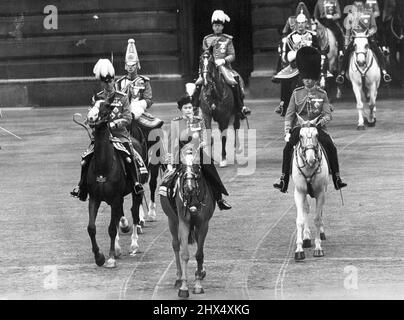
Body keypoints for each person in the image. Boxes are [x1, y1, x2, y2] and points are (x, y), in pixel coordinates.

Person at [273, 46, 347, 193]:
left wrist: (321, 122)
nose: (307, 81)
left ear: (315, 78)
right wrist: (287, 130)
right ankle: (283, 179)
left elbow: (327, 114)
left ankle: (337, 178)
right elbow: (290, 114)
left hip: (318, 128)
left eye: (310, 79)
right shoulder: (296, 93)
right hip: (299, 128)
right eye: (305, 78)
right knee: (287, 149)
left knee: (331, 147)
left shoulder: (322, 93)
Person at [71, 59, 146, 201]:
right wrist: (90, 122)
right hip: (100, 136)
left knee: (129, 157)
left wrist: (113, 125)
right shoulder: (97, 97)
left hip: (119, 136)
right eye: (105, 82)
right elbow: (91, 115)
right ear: (101, 83)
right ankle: (81, 187)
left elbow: (128, 118)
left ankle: (136, 183)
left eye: (110, 81)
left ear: (114, 80)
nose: (108, 84)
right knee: (85, 159)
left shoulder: (122, 97)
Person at [162, 85, 232, 211]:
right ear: (181, 109)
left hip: (197, 153)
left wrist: (204, 143)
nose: (188, 110)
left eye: (190, 108)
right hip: (180, 154)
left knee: (211, 171)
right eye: (185, 108)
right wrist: (171, 162)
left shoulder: (199, 121)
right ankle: (169, 202)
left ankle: (219, 198)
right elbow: (172, 143)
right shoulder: (175, 123)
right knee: (168, 180)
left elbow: (205, 135)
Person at [194, 10, 251, 119]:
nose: (217, 28)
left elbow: (232, 55)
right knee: (198, 83)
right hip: (209, 66)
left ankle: (240, 107)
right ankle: (195, 108)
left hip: (223, 66)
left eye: (219, 25)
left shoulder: (228, 39)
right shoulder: (206, 39)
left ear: (222, 27)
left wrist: (223, 60)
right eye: (215, 25)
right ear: (212, 26)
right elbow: (204, 54)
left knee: (233, 81)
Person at [273, 8, 322, 117]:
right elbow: (287, 55)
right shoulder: (290, 37)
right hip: (296, 65)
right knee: (285, 80)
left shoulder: (312, 35)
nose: (300, 26)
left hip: (310, 64)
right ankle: (284, 105)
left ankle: (323, 104)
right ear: (296, 24)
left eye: (302, 23)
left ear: (306, 23)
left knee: (323, 78)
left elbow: (318, 50)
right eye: (298, 23)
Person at [336, 0, 392, 84]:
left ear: (363, 5)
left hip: (367, 38)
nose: (358, 7)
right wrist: (346, 43)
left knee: (377, 51)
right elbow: (348, 30)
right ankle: (342, 74)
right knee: (347, 53)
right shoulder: (350, 15)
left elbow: (374, 27)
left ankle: (384, 72)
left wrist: (369, 32)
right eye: (356, 5)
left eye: (360, 5)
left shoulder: (369, 13)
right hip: (355, 38)